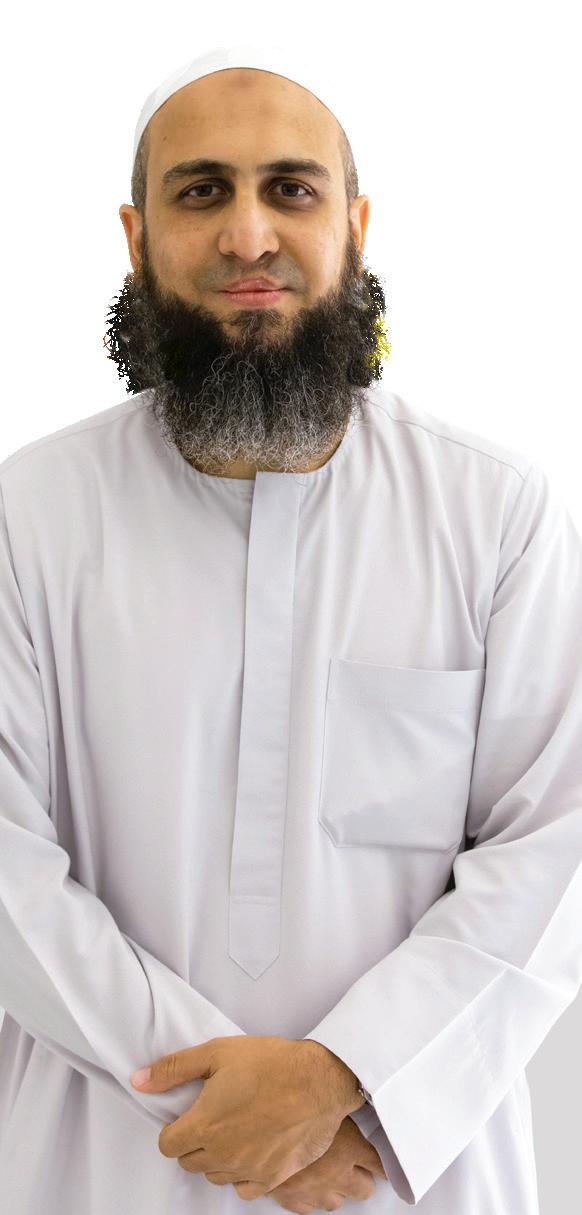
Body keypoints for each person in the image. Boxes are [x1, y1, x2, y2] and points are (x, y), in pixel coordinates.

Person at [1, 43, 581, 1215]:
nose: (248, 235)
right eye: (201, 190)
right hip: (101, 1171)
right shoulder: (29, 515)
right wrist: (236, 1114)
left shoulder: (497, 512)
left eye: (292, 189)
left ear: (354, 227)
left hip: (410, 1169)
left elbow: (556, 850)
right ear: (136, 237)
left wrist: (344, 1080)